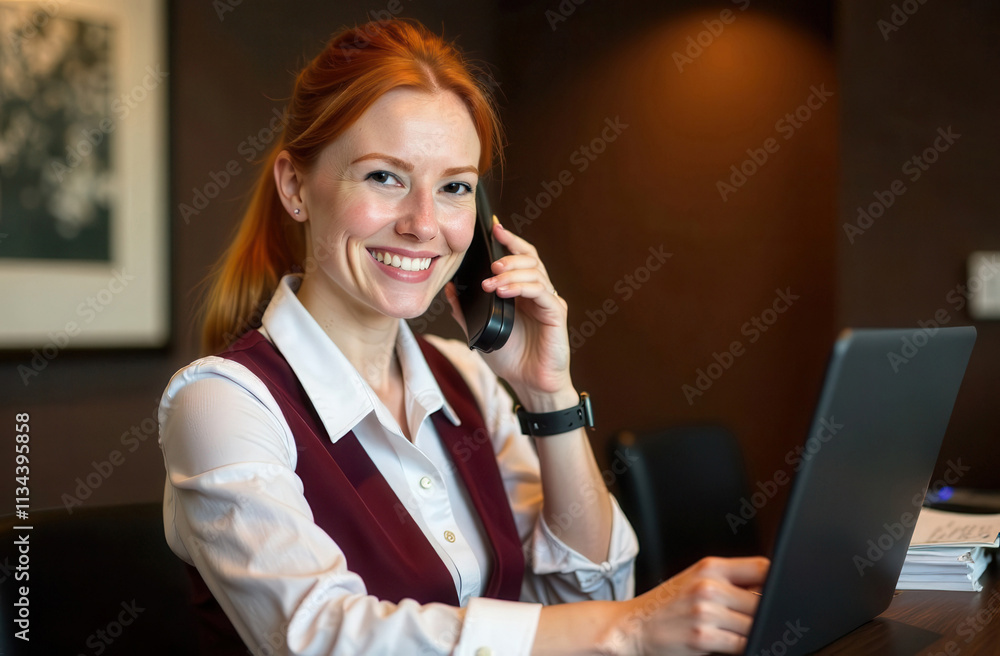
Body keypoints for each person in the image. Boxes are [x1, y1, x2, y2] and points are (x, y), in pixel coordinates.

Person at [158, 18, 768, 656]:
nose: (425, 225)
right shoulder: (222, 404)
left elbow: (588, 600)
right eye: (384, 177)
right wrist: (629, 628)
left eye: (454, 188)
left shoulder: (467, 378)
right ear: (295, 187)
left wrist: (547, 393)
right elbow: (323, 639)